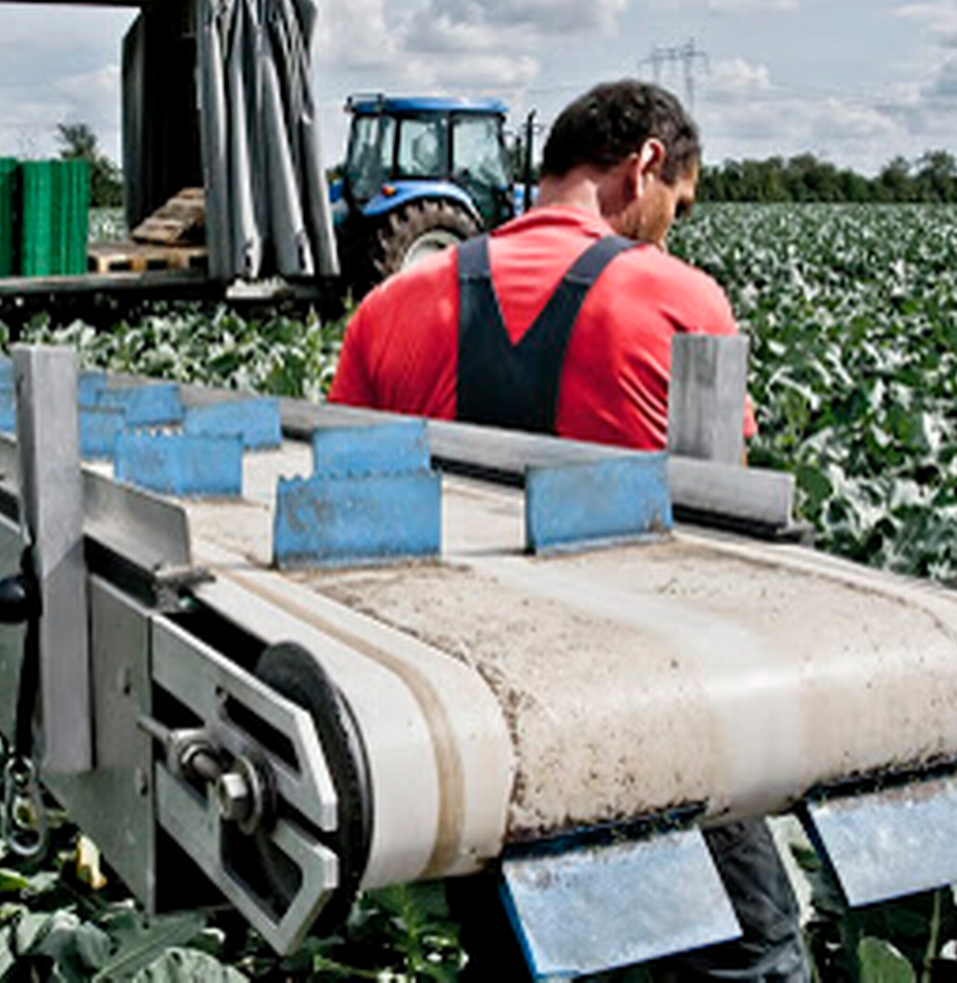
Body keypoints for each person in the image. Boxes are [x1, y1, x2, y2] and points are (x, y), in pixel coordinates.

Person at [328, 80, 802, 981]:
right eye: (677, 205)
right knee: (751, 957)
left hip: (480, 731)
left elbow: (355, 513)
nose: (671, 227)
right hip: (665, 710)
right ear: (645, 166)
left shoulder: (389, 307)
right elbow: (724, 522)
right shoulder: (679, 299)